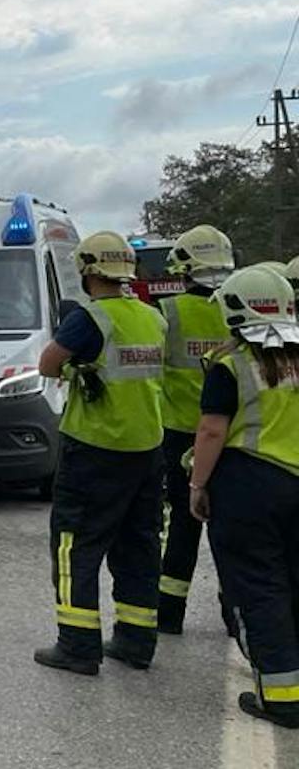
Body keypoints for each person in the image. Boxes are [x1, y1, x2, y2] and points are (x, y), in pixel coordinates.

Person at [33, 231, 167, 676]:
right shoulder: (153, 317)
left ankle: (77, 645)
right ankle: (135, 640)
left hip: (94, 448)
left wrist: (75, 368)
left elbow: (48, 364)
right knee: (139, 546)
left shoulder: (89, 318)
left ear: (88, 271)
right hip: (147, 447)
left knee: (76, 545)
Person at [187, 265, 299, 729]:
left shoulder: (230, 366)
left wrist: (197, 485)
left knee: (259, 588)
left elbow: (213, 430)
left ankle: (283, 697)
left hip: (250, 487)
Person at [156, 224, 235, 635]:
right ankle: (234, 614)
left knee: (180, 530)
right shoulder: (239, 307)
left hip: (180, 435)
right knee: (231, 529)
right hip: (232, 437)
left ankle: (168, 615)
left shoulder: (167, 312)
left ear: (184, 267)